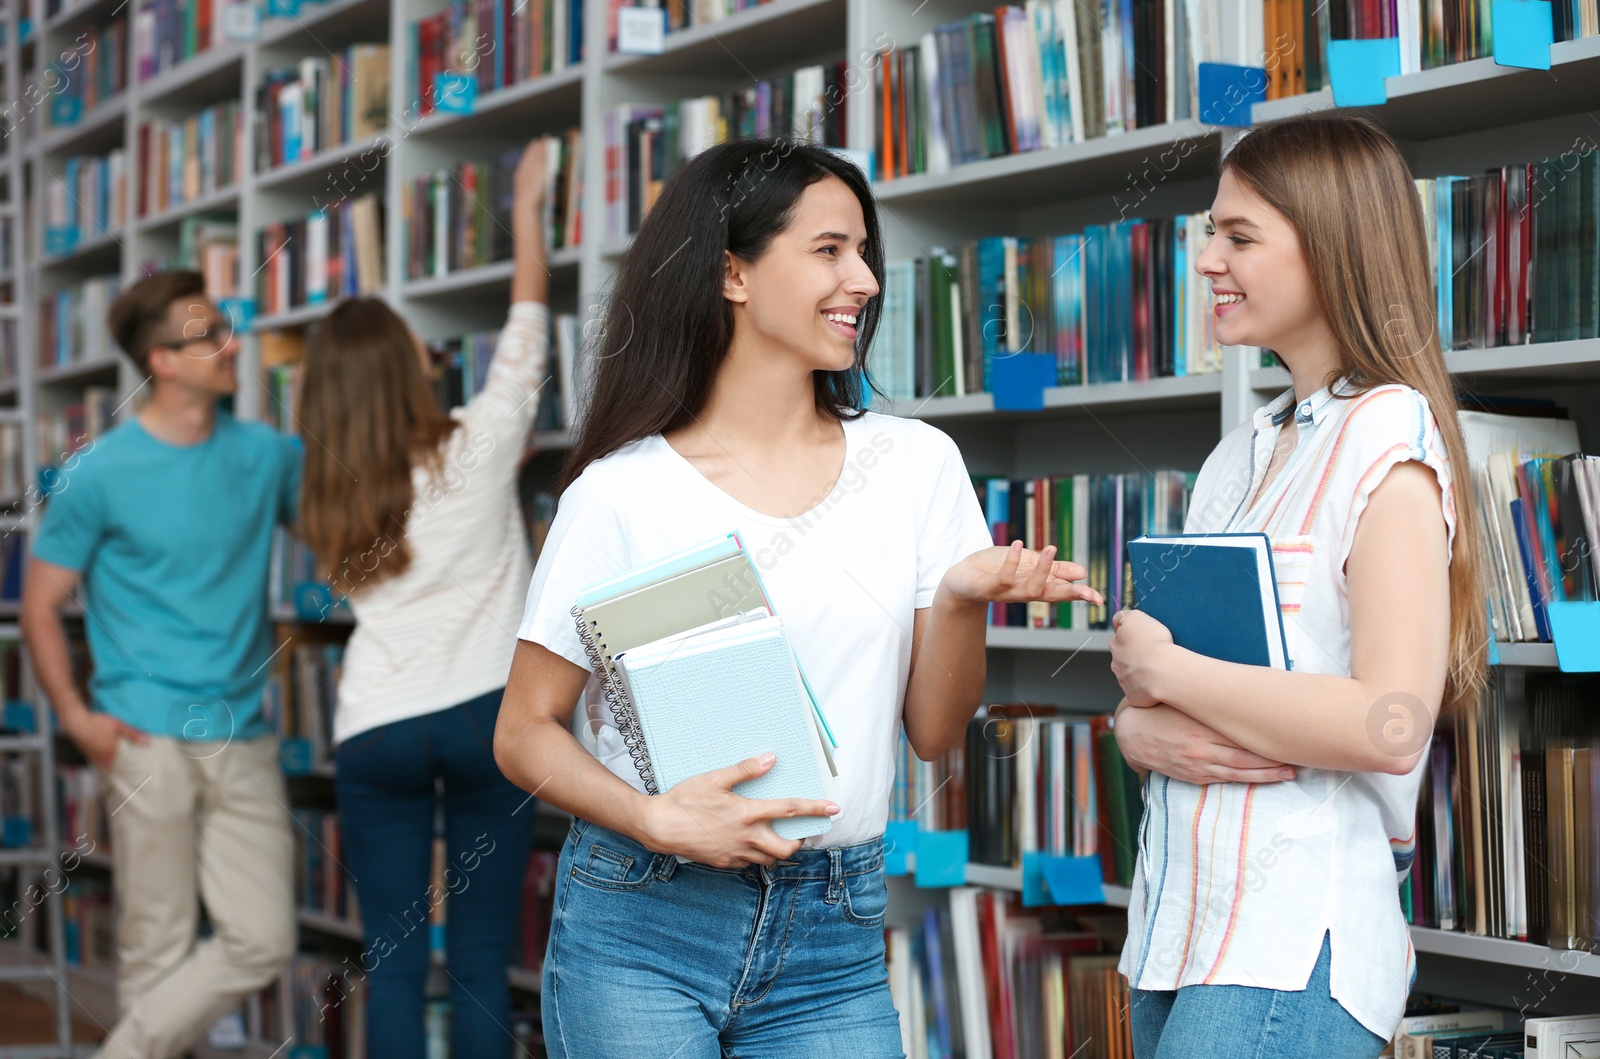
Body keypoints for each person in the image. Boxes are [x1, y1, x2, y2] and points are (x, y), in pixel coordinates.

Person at [491, 136, 1104, 1058]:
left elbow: (935, 733)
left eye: (865, 252)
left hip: (832, 931)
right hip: (643, 918)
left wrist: (964, 595)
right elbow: (523, 729)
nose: (862, 278)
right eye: (829, 250)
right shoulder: (621, 492)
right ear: (732, 273)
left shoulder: (914, 464)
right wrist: (655, 817)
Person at [1108, 113, 1488, 1058]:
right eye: (1210, 232)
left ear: (1332, 249)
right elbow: (1184, 689)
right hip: (1177, 927)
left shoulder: (1387, 433)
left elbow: (1391, 723)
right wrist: (1135, 727)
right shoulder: (1234, 458)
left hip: (1290, 943)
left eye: (1241, 236)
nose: (1207, 260)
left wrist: (1166, 674)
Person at [295, 138, 551, 1059]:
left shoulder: (328, 492)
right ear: (412, 364)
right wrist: (524, 207)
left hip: (378, 726)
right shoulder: (477, 446)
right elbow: (527, 332)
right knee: (483, 959)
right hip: (488, 714)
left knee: (393, 958)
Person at [21, 271, 302, 1059]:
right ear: (164, 360)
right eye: (209, 333)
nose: (232, 344)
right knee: (155, 943)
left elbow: (357, 523)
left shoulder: (271, 455)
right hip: (143, 734)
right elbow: (40, 606)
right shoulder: (99, 472)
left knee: (263, 936)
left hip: (242, 733)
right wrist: (79, 720)